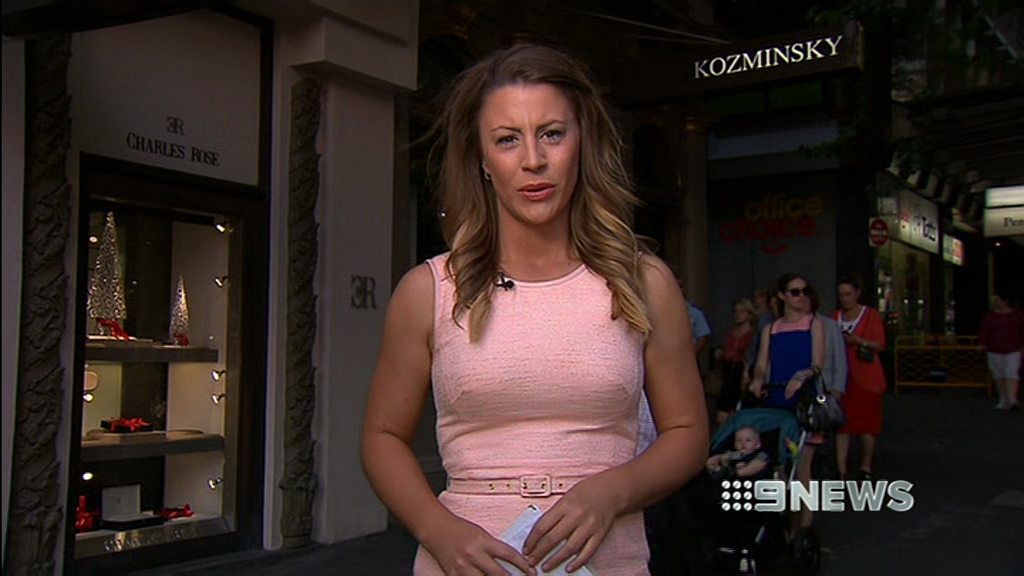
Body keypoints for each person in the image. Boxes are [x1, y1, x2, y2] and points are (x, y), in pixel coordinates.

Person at [360, 43, 708, 576]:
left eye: (552, 133)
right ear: (481, 158)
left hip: (608, 561)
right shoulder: (429, 290)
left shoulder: (643, 282)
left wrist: (612, 491)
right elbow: (381, 437)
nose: (533, 160)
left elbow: (687, 432)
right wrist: (439, 531)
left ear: (582, 142)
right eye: (507, 139)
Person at [748, 273, 824, 529]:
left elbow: (817, 364)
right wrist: (757, 379)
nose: (801, 296)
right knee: (779, 462)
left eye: (804, 291)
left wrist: (802, 376)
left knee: (803, 464)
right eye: (794, 292)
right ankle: (782, 519)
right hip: (777, 398)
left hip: (804, 401)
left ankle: (805, 521)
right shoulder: (772, 328)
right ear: (782, 295)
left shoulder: (814, 324)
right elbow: (761, 363)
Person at [832, 274, 887, 480]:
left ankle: (865, 466)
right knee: (842, 425)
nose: (845, 298)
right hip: (842, 378)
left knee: (867, 425)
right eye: (841, 295)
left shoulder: (870, 315)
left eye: (848, 294)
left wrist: (859, 341)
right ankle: (841, 470)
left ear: (857, 294)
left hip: (866, 378)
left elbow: (880, 344)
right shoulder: (834, 317)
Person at [979, 291, 1024, 411]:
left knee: (1011, 372)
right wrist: (983, 343)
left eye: (997, 300)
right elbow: (984, 330)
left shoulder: (1017, 315)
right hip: (994, 349)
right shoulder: (990, 316)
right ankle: (1004, 398)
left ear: (1005, 301)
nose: (995, 302)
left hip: (1013, 348)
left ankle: (1012, 399)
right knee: (999, 374)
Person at [713, 298, 756, 425]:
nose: (737, 314)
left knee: (738, 414)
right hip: (728, 372)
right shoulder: (730, 332)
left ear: (749, 314)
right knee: (721, 415)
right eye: (735, 311)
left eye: (741, 311)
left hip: (742, 372)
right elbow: (725, 348)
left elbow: (752, 355)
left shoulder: (753, 334)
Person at [705, 426, 771, 480]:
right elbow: (725, 456)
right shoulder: (737, 454)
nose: (742, 443)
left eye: (748, 440)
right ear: (735, 444)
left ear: (758, 444)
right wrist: (717, 458)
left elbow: (756, 466)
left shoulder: (762, 455)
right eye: (739, 440)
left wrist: (738, 471)